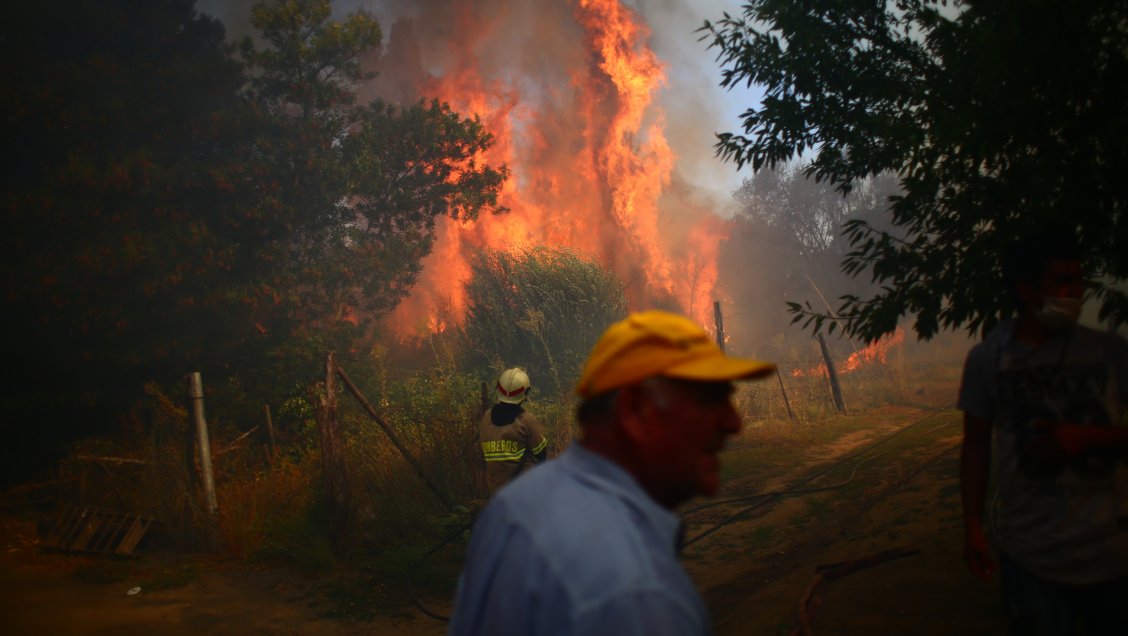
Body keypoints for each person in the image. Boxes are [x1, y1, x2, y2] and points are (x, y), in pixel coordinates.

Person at [449, 310, 775, 636]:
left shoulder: (512, 507)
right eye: (710, 399)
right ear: (634, 412)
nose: (734, 422)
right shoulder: (642, 597)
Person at [959, 231, 1128, 635]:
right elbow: (976, 446)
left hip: (1114, 555)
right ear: (1025, 289)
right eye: (1062, 282)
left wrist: (1089, 439)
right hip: (1031, 559)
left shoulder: (1110, 352)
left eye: (1078, 281)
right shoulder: (989, 361)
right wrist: (973, 526)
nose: (1075, 293)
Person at [479, 367, 548, 495]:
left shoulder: (486, 417)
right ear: (524, 393)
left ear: (498, 389)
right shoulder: (526, 420)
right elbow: (541, 455)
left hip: (497, 494)